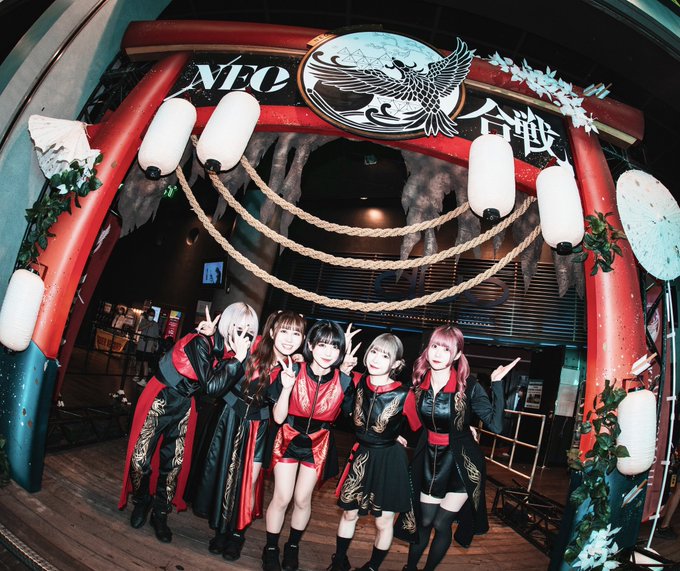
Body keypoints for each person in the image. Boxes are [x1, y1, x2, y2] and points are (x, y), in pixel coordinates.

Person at [118, 302, 257, 544]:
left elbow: (270, 347)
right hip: (161, 396)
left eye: (249, 331)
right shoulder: (202, 341)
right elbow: (212, 386)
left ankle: (160, 512)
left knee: (174, 464)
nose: (243, 335)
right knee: (139, 459)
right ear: (227, 323)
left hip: (184, 405)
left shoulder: (232, 352)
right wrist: (237, 358)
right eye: (238, 327)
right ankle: (142, 499)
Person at [398, 325, 519, 571]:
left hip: (463, 463)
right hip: (430, 461)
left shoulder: (468, 385)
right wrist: (395, 435)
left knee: (441, 524)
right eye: (435, 346)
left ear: (457, 354)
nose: (438, 353)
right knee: (425, 521)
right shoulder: (418, 383)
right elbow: (408, 417)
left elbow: (496, 425)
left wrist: (496, 384)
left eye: (446, 349)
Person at [191, 310, 307, 562]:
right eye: (284, 331)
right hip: (229, 416)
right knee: (224, 474)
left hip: (259, 426)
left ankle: (237, 535)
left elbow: (279, 417)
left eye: (296, 333)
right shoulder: (253, 346)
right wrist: (210, 336)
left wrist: (287, 388)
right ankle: (221, 530)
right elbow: (221, 359)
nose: (289, 339)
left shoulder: (295, 368)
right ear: (273, 331)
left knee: (249, 483)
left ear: (302, 339)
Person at [262, 320, 360, 571]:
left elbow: (356, 416)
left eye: (334, 347)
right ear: (311, 345)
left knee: (303, 500)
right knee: (282, 497)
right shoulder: (292, 369)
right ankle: (270, 548)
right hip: (288, 438)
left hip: (318, 443)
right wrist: (286, 388)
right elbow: (278, 418)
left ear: (341, 352)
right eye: (322, 345)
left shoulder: (344, 381)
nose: (328, 352)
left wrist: (392, 433)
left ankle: (292, 546)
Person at [328, 333, 413, 571]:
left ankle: (373, 567)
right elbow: (341, 408)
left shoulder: (405, 394)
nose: (376, 358)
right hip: (362, 456)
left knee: (384, 521)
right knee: (349, 514)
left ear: (396, 364)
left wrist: (462, 429)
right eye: (374, 351)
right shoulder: (355, 380)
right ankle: (339, 562)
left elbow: (423, 425)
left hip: (389, 461)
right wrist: (343, 373)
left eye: (385, 355)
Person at [134, 309, 160, 386]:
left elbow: (156, 336)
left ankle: (144, 379)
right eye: (150, 314)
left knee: (145, 362)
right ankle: (137, 375)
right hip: (141, 344)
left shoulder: (155, 324)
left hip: (149, 346)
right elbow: (139, 329)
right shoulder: (143, 321)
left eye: (153, 315)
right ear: (147, 314)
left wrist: (154, 346)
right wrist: (147, 325)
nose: (152, 316)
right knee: (138, 361)